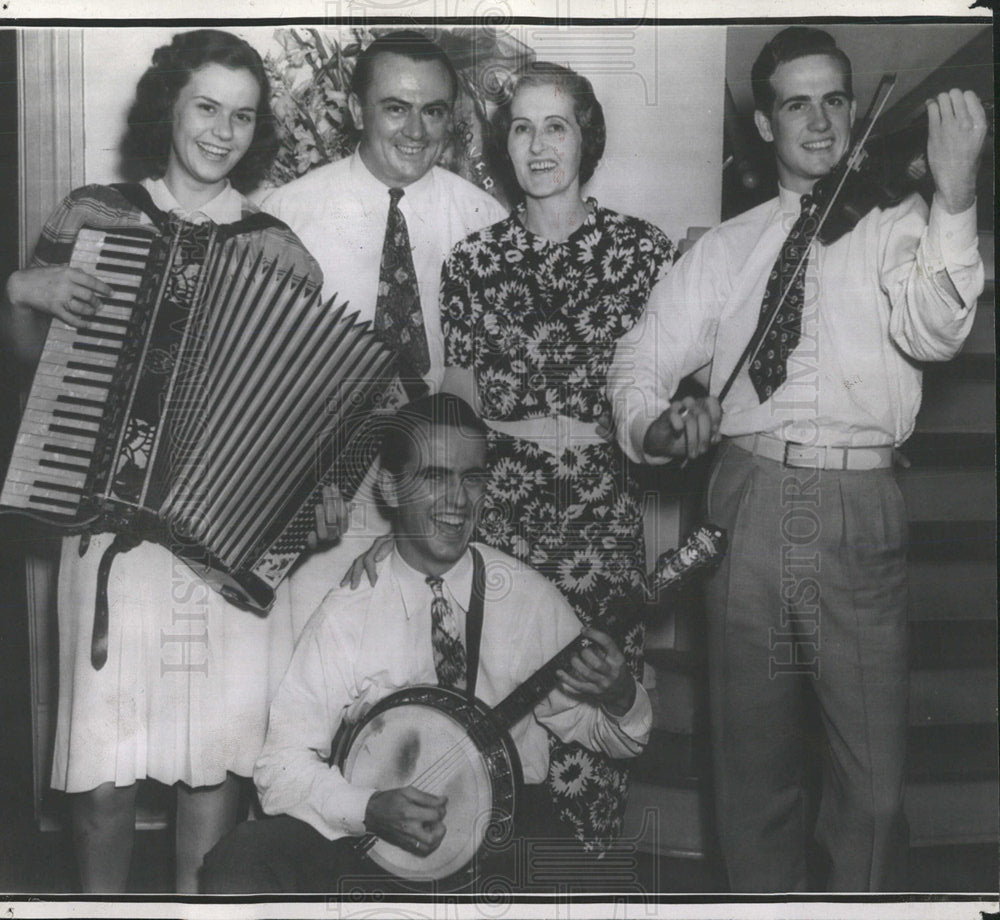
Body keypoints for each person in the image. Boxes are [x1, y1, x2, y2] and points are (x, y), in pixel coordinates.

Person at [608, 27, 987, 892]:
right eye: (796, 103)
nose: (819, 122)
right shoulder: (727, 248)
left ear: (855, 111)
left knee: (874, 788)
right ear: (764, 121)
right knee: (753, 779)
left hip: (858, 512)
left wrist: (956, 196)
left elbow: (937, 327)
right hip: (746, 501)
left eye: (834, 101)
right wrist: (660, 426)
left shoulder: (900, 226)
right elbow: (639, 365)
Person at [0, 30, 324, 892]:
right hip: (107, 540)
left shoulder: (278, 248)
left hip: (218, 556)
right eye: (206, 107)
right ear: (169, 109)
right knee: (102, 779)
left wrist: (321, 492)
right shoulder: (94, 212)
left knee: (209, 774)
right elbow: (29, 354)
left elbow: (306, 413)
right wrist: (21, 293)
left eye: (242, 116)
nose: (222, 132)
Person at [201, 393, 652, 894]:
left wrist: (620, 697)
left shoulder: (526, 600)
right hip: (377, 844)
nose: (459, 500)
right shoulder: (349, 611)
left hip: (506, 834)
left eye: (472, 478)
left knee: (608, 893)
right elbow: (278, 769)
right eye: (435, 477)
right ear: (391, 489)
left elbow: (618, 738)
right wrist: (366, 808)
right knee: (239, 861)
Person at [437, 62, 675, 850]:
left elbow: (669, 391)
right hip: (500, 519)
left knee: (594, 701)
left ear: (586, 137)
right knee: (497, 708)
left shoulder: (643, 252)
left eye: (556, 125)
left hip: (601, 524)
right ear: (503, 144)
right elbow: (462, 407)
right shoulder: (470, 264)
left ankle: (586, 880)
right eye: (521, 127)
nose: (538, 145)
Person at [256, 30, 508, 630]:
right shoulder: (286, 214)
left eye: (434, 111)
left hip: (440, 486)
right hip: (323, 485)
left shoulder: (485, 221)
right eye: (395, 108)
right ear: (354, 111)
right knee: (316, 657)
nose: (416, 131)